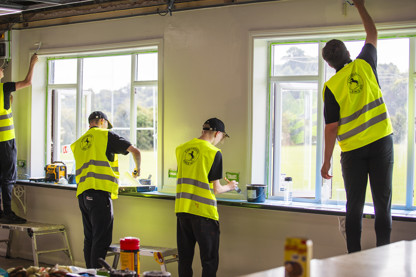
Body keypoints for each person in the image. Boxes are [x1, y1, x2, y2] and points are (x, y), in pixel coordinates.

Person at [321, 0, 394, 253]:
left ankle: (353, 257)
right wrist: (360, 5)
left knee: (355, 205)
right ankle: (384, 253)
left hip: (353, 152)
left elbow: (332, 128)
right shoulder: (365, 63)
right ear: (348, 53)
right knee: (382, 204)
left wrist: (326, 161)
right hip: (381, 143)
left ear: (329, 64)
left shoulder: (331, 87)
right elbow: (372, 33)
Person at [71, 111, 141, 268]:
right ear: (102, 121)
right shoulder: (105, 135)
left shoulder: (80, 142)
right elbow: (135, 151)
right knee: (101, 239)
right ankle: (96, 272)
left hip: (83, 195)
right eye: (106, 125)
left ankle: (89, 273)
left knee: (89, 238)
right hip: (99, 194)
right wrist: (138, 170)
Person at [175, 118, 238, 277]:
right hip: (204, 215)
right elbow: (216, 189)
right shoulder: (213, 152)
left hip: (183, 211)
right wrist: (230, 186)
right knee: (209, 261)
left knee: (185, 259)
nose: (219, 142)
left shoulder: (181, 149)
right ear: (217, 133)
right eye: (221, 138)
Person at [0, 53, 38, 224]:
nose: (2, 70)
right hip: (5, 141)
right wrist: (33, 64)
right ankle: (7, 212)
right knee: (8, 177)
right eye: (1, 68)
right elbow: (28, 82)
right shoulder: (4, 88)